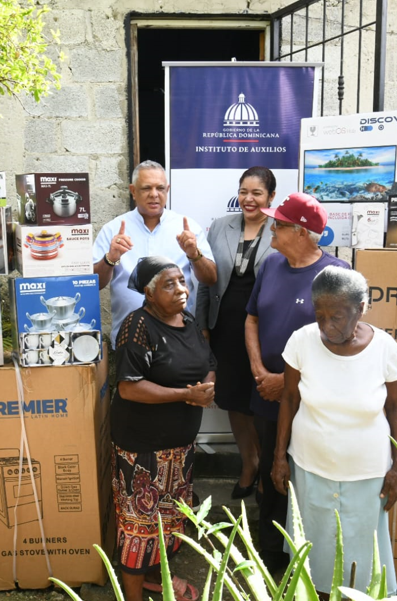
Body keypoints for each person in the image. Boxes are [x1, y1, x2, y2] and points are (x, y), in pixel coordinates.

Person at [272, 266, 397, 598]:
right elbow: (289, 399)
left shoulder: (385, 348)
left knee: (364, 548)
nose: (328, 326)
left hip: (368, 473)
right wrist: (279, 458)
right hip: (309, 465)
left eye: (338, 316)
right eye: (320, 316)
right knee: (315, 544)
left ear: (361, 308)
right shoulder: (301, 342)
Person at [245, 192, 350, 572]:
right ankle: (270, 553)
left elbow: (340, 344)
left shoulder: (336, 277)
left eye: (280, 223)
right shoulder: (272, 264)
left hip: (309, 400)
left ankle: (309, 556)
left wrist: (286, 383)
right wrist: (258, 369)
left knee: (303, 474)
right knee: (270, 471)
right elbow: (252, 318)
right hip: (266, 393)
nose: (272, 227)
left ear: (303, 233)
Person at [111, 256, 216, 601]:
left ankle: (157, 579)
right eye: (169, 284)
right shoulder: (137, 326)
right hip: (143, 449)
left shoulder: (186, 319)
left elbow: (208, 361)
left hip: (180, 448)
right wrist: (187, 395)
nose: (181, 289)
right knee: (139, 527)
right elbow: (129, 386)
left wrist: (207, 388)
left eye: (181, 281)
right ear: (149, 293)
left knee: (168, 520)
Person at [196, 166, 277, 499]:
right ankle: (249, 463)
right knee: (233, 401)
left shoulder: (282, 229)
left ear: (271, 197)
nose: (249, 199)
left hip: (266, 329)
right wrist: (202, 326)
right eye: (244, 192)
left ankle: (268, 468)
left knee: (260, 402)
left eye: (257, 193)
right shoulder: (219, 227)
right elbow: (206, 280)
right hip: (225, 328)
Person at [93, 160, 217, 347]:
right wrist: (110, 259)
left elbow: (210, 278)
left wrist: (194, 254)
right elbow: (94, 284)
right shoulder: (113, 231)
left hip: (179, 340)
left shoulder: (188, 229)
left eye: (160, 188)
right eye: (146, 188)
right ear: (133, 191)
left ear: (168, 189)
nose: (154, 195)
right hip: (130, 341)